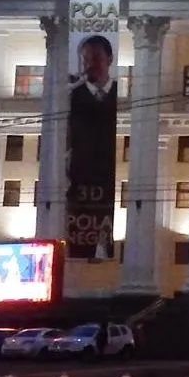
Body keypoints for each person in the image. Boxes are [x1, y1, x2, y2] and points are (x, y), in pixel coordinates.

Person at [66, 34, 119, 260]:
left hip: (108, 178)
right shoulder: (72, 96)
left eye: (96, 58)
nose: (89, 65)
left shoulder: (119, 94)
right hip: (79, 183)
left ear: (110, 59)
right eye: (85, 60)